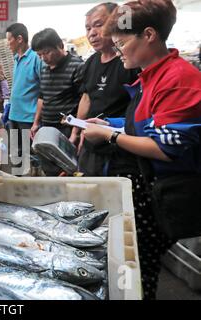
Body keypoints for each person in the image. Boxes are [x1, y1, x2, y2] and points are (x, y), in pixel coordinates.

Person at [83, 0, 201, 300]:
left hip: (166, 191)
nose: (118, 50)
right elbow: (147, 124)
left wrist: (110, 136)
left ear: (148, 35)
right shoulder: (151, 74)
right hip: (148, 186)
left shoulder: (179, 79)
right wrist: (111, 123)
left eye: (122, 43)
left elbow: (165, 148)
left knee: (140, 270)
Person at [69, 2, 140, 176]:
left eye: (98, 25)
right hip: (91, 146)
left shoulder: (131, 62)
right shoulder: (91, 62)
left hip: (120, 150)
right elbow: (87, 98)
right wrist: (76, 132)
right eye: (88, 28)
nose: (92, 33)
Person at [31, 28, 84, 139]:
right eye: (39, 55)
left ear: (60, 45)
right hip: (46, 126)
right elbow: (42, 97)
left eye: (47, 52)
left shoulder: (77, 66)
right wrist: (36, 123)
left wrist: (76, 131)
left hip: (66, 128)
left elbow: (84, 100)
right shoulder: (44, 68)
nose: (43, 58)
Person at [5, 23, 43, 168]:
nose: (8, 43)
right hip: (14, 116)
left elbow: (43, 89)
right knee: (16, 154)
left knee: (31, 156)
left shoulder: (36, 58)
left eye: (9, 39)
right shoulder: (16, 59)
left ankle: (31, 185)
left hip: (28, 118)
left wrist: (37, 121)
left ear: (19, 39)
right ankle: (18, 184)